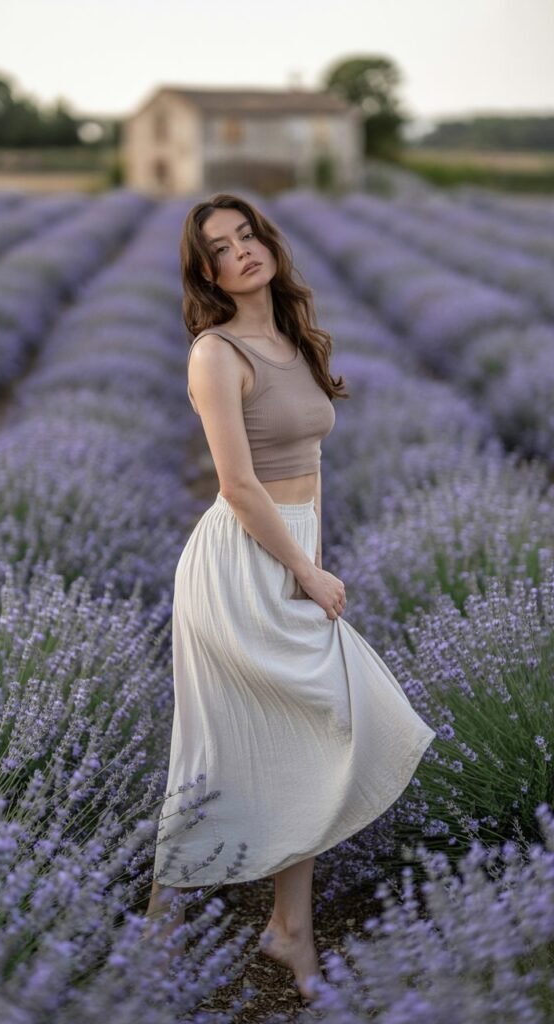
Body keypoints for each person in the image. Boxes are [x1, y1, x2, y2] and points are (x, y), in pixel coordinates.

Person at [143, 193, 436, 1001]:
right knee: (219, 750)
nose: (240, 251)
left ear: (267, 244)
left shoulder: (294, 338)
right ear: (204, 269)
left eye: (247, 234)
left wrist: (313, 554)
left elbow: (309, 468)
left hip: (290, 549)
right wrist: (304, 572)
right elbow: (237, 484)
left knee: (310, 736)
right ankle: (165, 929)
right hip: (239, 566)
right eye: (219, 246)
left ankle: (288, 930)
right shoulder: (217, 352)